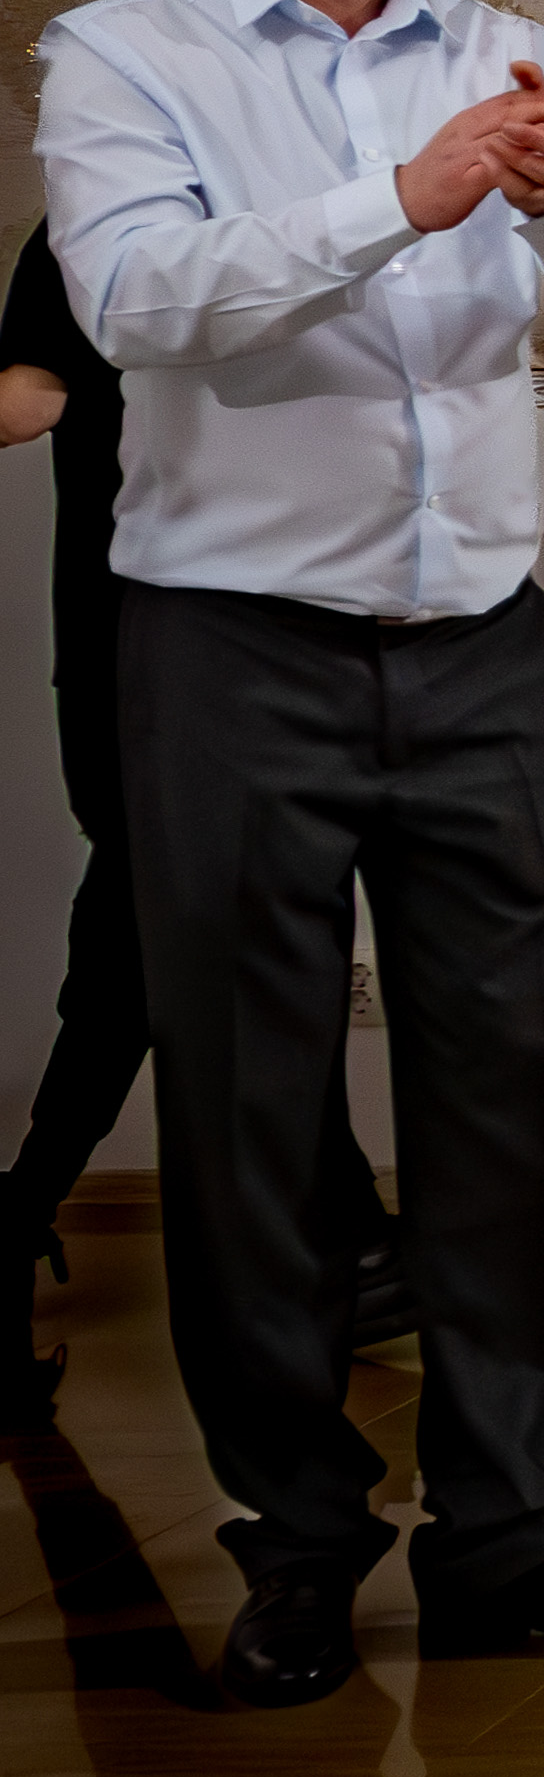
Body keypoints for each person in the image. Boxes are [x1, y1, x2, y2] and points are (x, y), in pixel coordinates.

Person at [35, 0, 544, 1710]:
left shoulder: (505, 46)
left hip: (477, 644)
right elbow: (138, 303)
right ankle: (300, 1540)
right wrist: (405, 200)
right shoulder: (123, 57)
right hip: (231, 648)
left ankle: (509, 1528)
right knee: (251, 1117)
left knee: (495, 1100)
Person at [2, 222, 408, 1418]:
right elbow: (23, 400)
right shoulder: (98, 220)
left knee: (167, 944)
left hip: (256, 642)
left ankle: (27, 1212)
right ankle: (348, 1244)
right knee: (165, 939)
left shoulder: (291, 213)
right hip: (143, 644)